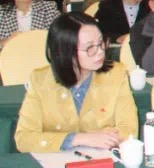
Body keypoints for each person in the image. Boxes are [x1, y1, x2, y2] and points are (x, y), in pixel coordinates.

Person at [14, 12, 139, 153]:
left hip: (102, 160)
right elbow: (24, 139)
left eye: (101, 42)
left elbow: (129, 131)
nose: (99, 52)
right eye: (89, 47)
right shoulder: (40, 80)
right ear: (65, 51)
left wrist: (107, 138)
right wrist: (79, 138)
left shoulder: (116, 74)